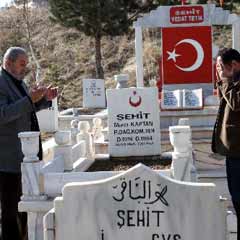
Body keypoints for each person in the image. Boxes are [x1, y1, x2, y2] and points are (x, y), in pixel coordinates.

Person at [0, 47, 58, 240]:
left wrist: (44, 100)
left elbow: (26, 108)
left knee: (24, 205)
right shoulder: (1, 82)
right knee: (10, 208)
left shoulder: (18, 82)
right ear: (8, 63)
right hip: (8, 159)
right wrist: (29, 99)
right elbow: (3, 115)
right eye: (22, 64)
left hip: (26, 156)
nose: (25, 68)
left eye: (26, 64)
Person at [212, 48, 240, 240]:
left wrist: (226, 80)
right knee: (237, 200)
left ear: (235, 65)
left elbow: (237, 103)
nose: (220, 70)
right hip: (234, 152)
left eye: (222, 66)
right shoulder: (231, 82)